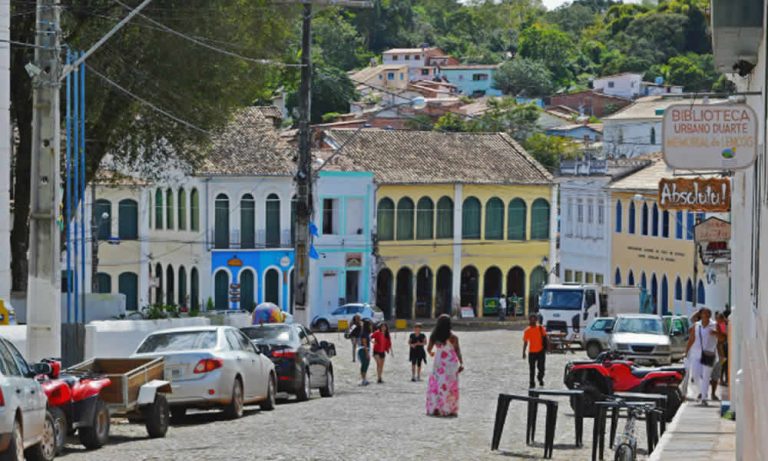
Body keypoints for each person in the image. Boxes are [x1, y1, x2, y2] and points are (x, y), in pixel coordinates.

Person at [426, 314, 464, 417]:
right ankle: (449, 408)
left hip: (439, 363)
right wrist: (461, 363)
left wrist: (432, 353)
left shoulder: (434, 336)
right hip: (450, 363)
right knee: (449, 386)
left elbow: (429, 349)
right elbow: (457, 350)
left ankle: (436, 407)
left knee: (438, 384)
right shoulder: (453, 337)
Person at [685, 308, 724, 405]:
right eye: (704, 313)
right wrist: (686, 351)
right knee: (695, 375)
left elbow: (723, 338)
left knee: (706, 376)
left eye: (708, 314)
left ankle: (703, 398)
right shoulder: (697, 325)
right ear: (701, 315)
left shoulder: (714, 325)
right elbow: (691, 339)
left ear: (710, 315)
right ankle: (703, 392)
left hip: (709, 353)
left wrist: (716, 333)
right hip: (696, 353)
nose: (706, 315)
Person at [522, 314, 548, 388]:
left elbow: (545, 337)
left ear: (536, 320)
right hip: (532, 352)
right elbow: (525, 342)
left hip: (541, 351)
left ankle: (540, 378)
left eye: (534, 319)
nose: (532, 321)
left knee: (541, 368)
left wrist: (548, 347)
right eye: (531, 319)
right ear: (529, 320)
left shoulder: (540, 328)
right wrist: (523, 352)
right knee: (532, 369)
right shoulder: (527, 330)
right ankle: (532, 382)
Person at [358, 319, 373, 386]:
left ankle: (364, 379)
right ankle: (363, 380)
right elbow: (364, 343)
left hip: (365, 350)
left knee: (366, 364)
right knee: (364, 365)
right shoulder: (364, 333)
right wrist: (367, 353)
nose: (371, 326)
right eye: (370, 325)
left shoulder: (366, 333)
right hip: (363, 350)